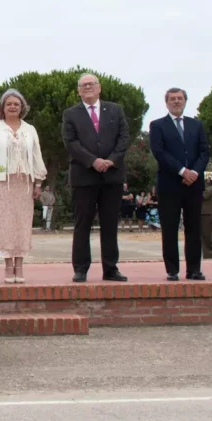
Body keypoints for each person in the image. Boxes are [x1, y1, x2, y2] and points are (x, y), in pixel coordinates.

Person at [62, 73, 130, 283]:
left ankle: (110, 268)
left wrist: (111, 160)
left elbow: (124, 137)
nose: (88, 87)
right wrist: (93, 161)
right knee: (82, 224)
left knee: (110, 224)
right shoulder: (70, 114)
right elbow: (70, 142)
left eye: (91, 84)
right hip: (84, 177)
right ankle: (80, 269)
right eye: (83, 85)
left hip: (112, 176)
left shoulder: (116, 110)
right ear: (78, 91)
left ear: (99, 88)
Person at [0, 89, 48, 283]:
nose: (12, 107)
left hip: (24, 184)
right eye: (9, 104)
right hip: (2, 183)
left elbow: (36, 155)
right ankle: (7, 265)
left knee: (22, 224)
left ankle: (19, 265)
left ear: (22, 108)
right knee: (4, 224)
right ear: (2, 107)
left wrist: (38, 183)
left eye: (16, 104)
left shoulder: (30, 129)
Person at [149, 87, 210, 281]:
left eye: (180, 98)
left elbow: (204, 152)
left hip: (194, 184)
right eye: (172, 99)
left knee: (194, 228)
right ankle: (172, 270)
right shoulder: (157, 125)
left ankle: (194, 269)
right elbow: (159, 152)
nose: (176, 101)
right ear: (166, 102)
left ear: (185, 101)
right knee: (169, 228)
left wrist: (194, 172)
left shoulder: (196, 125)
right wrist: (182, 171)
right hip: (170, 184)